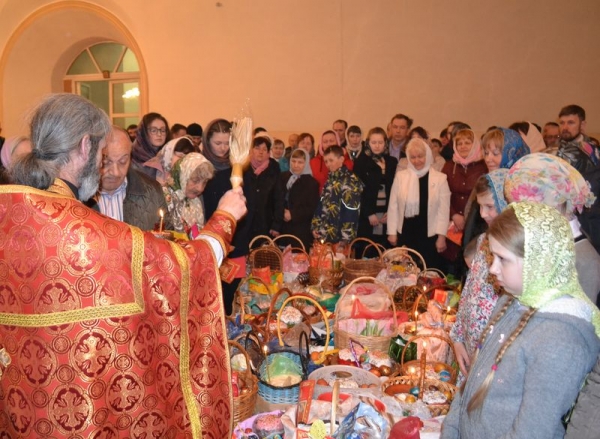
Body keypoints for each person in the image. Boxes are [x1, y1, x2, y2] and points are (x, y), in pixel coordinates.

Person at [2, 93, 247, 438]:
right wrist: (224, 219)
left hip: (22, 415)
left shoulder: (10, 214)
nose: (105, 168)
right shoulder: (85, 232)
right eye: (103, 155)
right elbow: (179, 269)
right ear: (86, 146)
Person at [441, 202, 600, 439]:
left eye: (502, 259)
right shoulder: (511, 300)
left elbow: (532, 431)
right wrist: (452, 430)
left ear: (540, 260)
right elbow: (472, 380)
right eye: (491, 257)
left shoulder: (561, 338)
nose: (492, 269)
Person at [505, 153, 600, 304]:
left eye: (527, 207)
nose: (520, 216)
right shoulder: (542, 243)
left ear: (554, 201)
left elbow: (580, 324)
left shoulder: (583, 260)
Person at [450, 169, 509, 383]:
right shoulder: (484, 240)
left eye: (490, 207)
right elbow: (468, 293)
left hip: (493, 359)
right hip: (468, 349)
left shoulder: (517, 253)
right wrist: (457, 338)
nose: (483, 214)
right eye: (480, 206)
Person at [202, 118, 253, 315]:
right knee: (211, 296)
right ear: (208, 142)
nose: (223, 148)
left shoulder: (238, 167)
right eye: (218, 143)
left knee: (231, 297)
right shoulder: (202, 167)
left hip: (235, 244)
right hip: (210, 241)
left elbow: (248, 207)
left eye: (227, 143)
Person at [387, 138, 450, 270]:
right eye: (413, 157)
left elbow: (443, 211)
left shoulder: (440, 178)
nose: (417, 161)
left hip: (429, 235)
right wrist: (391, 232)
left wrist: (441, 237)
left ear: (427, 155)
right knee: (403, 272)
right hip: (406, 233)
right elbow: (393, 206)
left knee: (428, 272)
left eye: (420, 156)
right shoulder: (401, 176)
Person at [94, 126, 168, 231]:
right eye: (106, 162)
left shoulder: (152, 191)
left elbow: (168, 236)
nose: (115, 172)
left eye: (123, 161)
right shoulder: (77, 194)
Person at [440, 129, 487, 265]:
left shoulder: (483, 166)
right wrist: (454, 215)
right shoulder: (449, 166)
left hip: (475, 220)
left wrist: (467, 218)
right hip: (451, 224)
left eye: (467, 142)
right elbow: (442, 194)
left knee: (472, 261)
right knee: (452, 262)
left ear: (475, 145)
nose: (463, 146)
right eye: (459, 143)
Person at [354, 127, 398, 251]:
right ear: (368, 143)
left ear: (385, 143)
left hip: (386, 211)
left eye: (380, 142)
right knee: (367, 249)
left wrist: (391, 212)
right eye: (374, 143)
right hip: (368, 213)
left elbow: (396, 190)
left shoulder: (392, 162)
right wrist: (369, 213)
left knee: (384, 251)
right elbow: (357, 190)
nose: (377, 146)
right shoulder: (361, 162)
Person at [312, 145, 363, 244]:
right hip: (325, 235)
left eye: (331, 160)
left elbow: (351, 211)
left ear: (341, 159)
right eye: (326, 161)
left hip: (339, 238)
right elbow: (321, 205)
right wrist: (316, 226)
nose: (328, 164)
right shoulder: (330, 180)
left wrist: (345, 239)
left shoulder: (350, 180)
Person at [275, 148, 319, 250]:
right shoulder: (283, 177)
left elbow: (312, 208)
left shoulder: (312, 183)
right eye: (293, 161)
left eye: (300, 162)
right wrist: (281, 212)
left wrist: (293, 214)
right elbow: (277, 199)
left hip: (301, 229)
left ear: (306, 163)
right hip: (282, 227)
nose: (296, 165)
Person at [164, 152, 215, 238]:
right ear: (182, 176)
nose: (200, 188)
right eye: (195, 181)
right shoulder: (164, 197)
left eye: (205, 182)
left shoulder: (196, 201)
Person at [245, 135, 282, 238]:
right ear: (251, 150)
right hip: (245, 223)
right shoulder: (244, 167)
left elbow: (279, 198)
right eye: (257, 148)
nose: (260, 152)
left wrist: (277, 224)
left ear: (268, 153)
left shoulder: (274, 169)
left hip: (266, 222)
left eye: (264, 149)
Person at [131, 112, 171, 177]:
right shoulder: (133, 157)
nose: (159, 134)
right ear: (143, 133)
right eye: (154, 130)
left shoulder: (169, 155)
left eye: (163, 130)